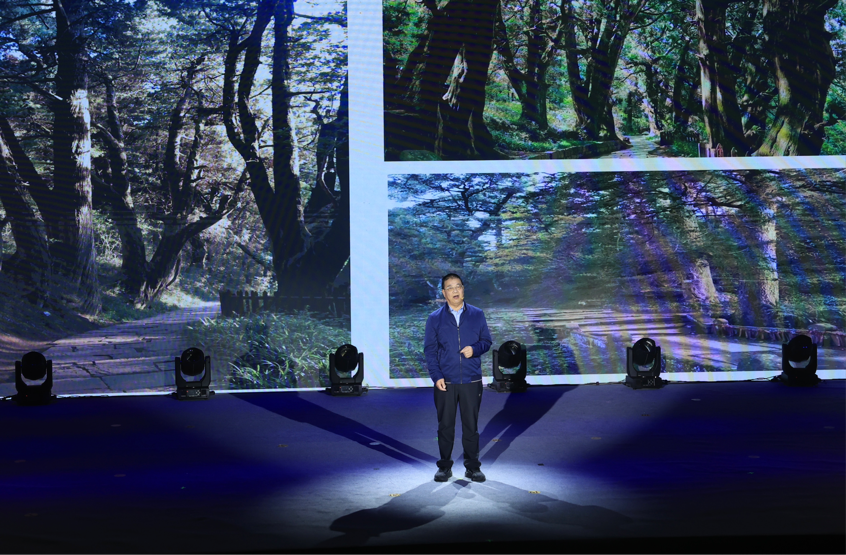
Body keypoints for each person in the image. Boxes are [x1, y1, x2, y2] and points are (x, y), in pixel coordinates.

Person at [423, 273, 492, 482]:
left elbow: (486, 341)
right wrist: (436, 376)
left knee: (471, 426)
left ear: (463, 289)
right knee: (445, 426)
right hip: (446, 381)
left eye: (458, 286)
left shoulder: (477, 314)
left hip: (471, 379)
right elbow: (430, 350)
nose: (455, 290)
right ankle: (444, 467)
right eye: (450, 287)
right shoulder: (435, 318)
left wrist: (474, 349)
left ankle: (473, 467)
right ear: (444, 293)